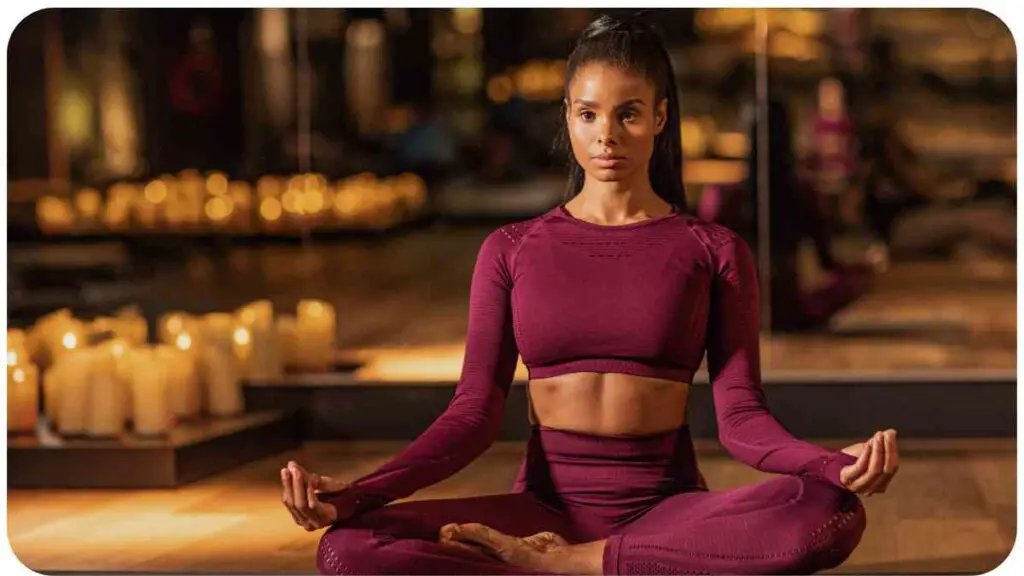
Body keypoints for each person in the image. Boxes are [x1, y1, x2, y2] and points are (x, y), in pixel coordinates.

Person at [282, 15, 899, 575]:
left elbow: (741, 419)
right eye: (588, 114)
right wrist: (359, 494)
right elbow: (470, 417)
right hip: (544, 511)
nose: (607, 135)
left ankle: (580, 565)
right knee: (347, 548)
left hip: (667, 512)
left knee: (826, 512)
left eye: (629, 113)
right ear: (568, 117)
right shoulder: (512, 249)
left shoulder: (713, 249)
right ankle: (598, 565)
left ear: (659, 117)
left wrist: (828, 465)